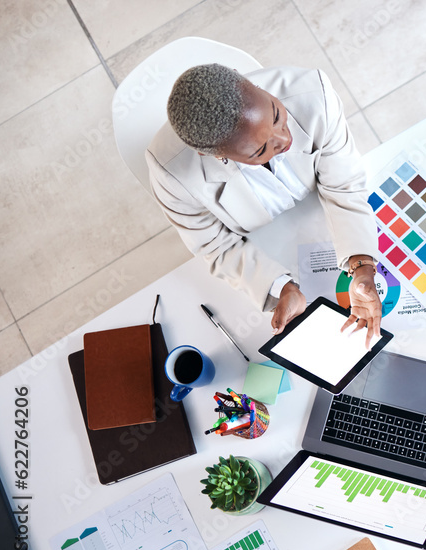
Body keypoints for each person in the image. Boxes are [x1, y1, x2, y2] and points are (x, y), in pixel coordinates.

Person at [146, 64, 381, 345]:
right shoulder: (171, 175)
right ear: (213, 155)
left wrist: (361, 264)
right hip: (266, 244)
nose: (285, 139)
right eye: (259, 150)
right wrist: (282, 288)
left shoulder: (313, 93)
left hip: (321, 217)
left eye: (277, 115)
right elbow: (216, 247)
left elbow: (344, 186)